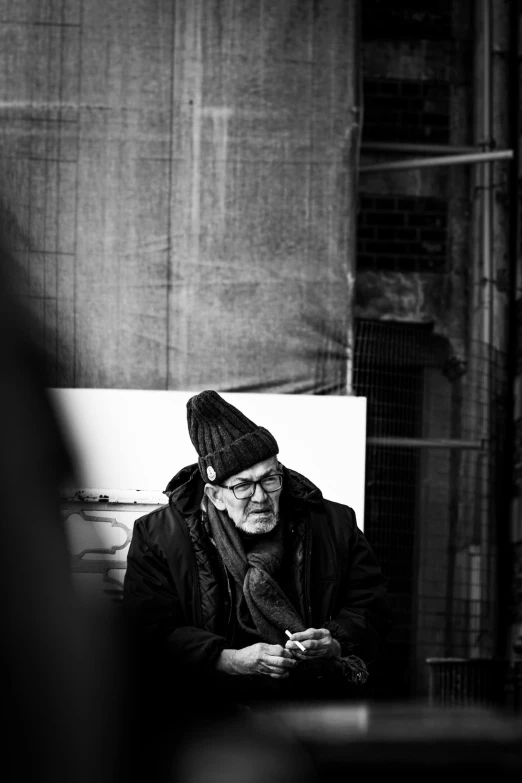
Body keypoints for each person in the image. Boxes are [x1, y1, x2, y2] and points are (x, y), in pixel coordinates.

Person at [123, 390, 391, 709]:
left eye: (270, 479)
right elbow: (150, 635)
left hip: (312, 707)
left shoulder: (333, 524)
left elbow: (372, 607)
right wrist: (231, 660)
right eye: (243, 486)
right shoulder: (159, 537)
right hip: (209, 714)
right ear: (215, 494)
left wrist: (334, 641)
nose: (261, 497)